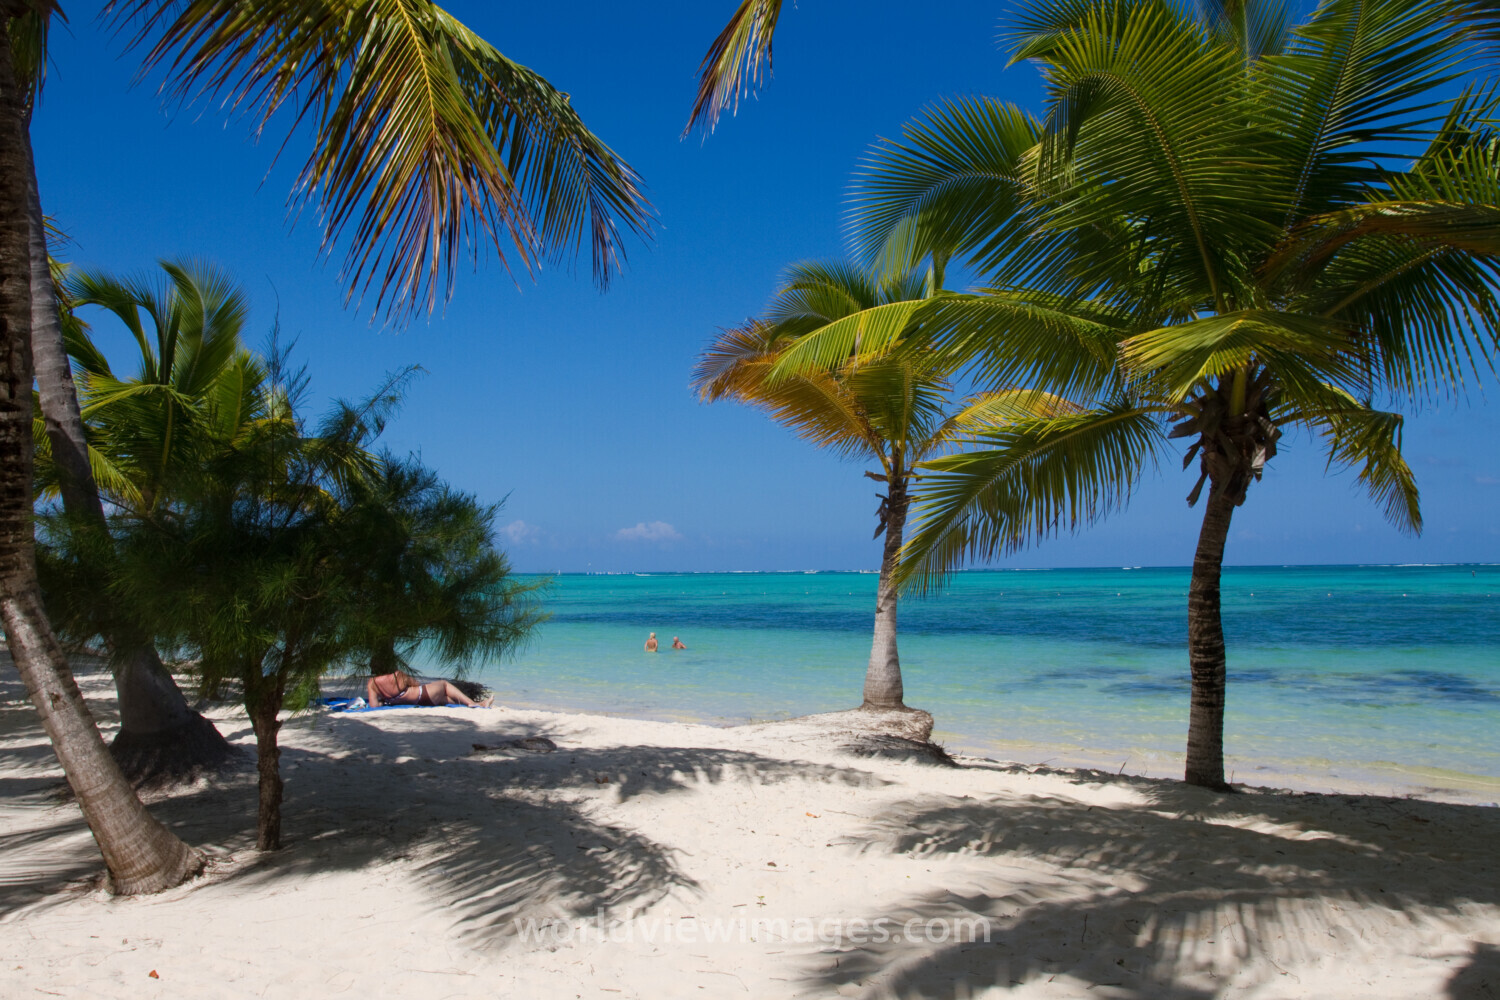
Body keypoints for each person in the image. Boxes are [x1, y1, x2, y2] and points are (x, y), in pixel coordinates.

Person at [367, 669, 493, 708]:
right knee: (444, 684)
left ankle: (476, 705)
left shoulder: (372, 683)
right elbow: (415, 684)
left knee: (445, 698)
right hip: (423, 695)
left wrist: (383, 701)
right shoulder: (398, 675)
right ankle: (472, 703)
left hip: (423, 702)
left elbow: (373, 706)